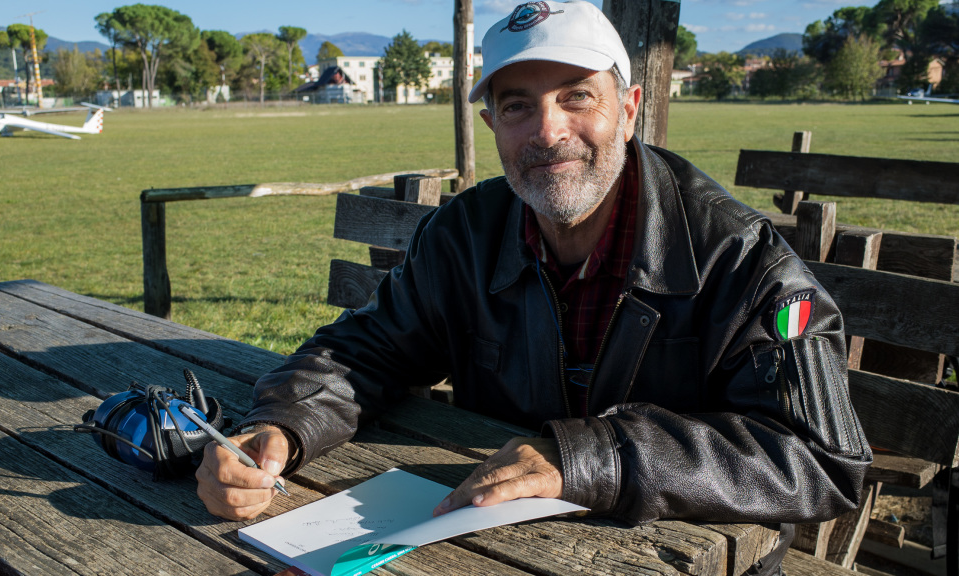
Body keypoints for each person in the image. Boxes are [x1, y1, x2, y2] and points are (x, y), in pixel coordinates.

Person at [197, 2, 871, 573]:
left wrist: (587, 459)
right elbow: (368, 348)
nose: (547, 132)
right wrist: (281, 425)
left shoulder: (742, 259)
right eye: (518, 106)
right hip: (501, 547)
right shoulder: (465, 233)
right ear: (492, 126)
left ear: (630, 109)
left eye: (577, 96)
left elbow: (821, 459)